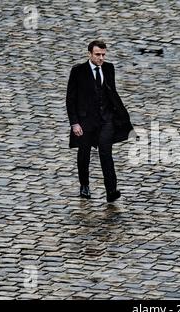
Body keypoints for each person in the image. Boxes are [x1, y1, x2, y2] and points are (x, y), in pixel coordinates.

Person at [66, 40, 134, 202]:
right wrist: (74, 122)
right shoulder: (78, 71)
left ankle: (111, 190)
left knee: (106, 154)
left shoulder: (109, 68)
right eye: (97, 55)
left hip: (106, 120)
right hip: (85, 121)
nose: (101, 58)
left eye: (103, 54)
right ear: (89, 54)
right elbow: (70, 98)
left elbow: (111, 92)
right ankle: (84, 186)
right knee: (84, 154)